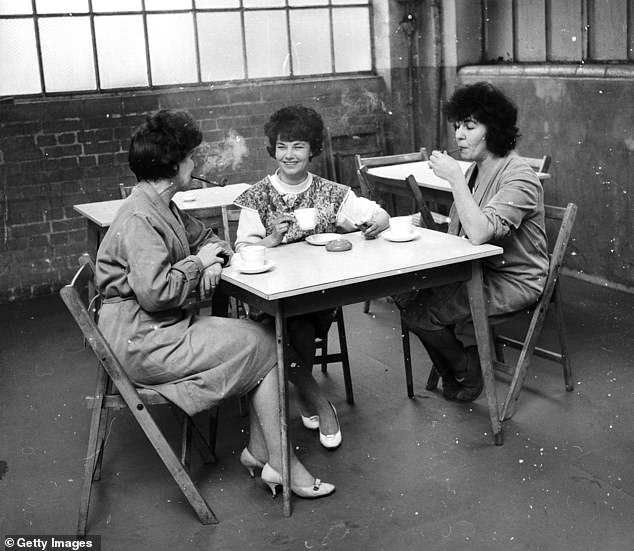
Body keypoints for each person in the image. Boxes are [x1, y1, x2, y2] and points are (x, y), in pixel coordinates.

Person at [95, 109, 334, 498]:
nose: (194, 163)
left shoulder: (162, 205)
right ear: (172, 165)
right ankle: (276, 461)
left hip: (159, 329)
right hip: (142, 341)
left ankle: (266, 456)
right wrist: (198, 263)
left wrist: (211, 257)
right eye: (189, 157)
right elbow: (156, 295)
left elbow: (210, 238)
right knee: (265, 343)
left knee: (266, 336)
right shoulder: (140, 217)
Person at [233, 105, 389, 449]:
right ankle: (316, 401)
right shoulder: (257, 196)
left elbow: (376, 213)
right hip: (268, 300)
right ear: (272, 148)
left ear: (312, 149)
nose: (289, 155)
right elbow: (242, 250)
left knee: (301, 323)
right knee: (295, 326)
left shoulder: (332, 192)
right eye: (282, 146)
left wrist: (381, 221)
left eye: (298, 145)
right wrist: (270, 240)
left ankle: (306, 397)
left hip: (317, 298)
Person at [396, 82, 549, 402]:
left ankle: (465, 368)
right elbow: (463, 227)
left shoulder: (518, 175)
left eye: (469, 126)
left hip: (514, 279)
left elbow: (479, 232)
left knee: (421, 312)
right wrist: (430, 224)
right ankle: (460, 370)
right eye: (456, 126)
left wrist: (453, 178)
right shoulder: (476, 172)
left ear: (492, 129)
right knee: (405, 298)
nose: (459, 135)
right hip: (479, 269)